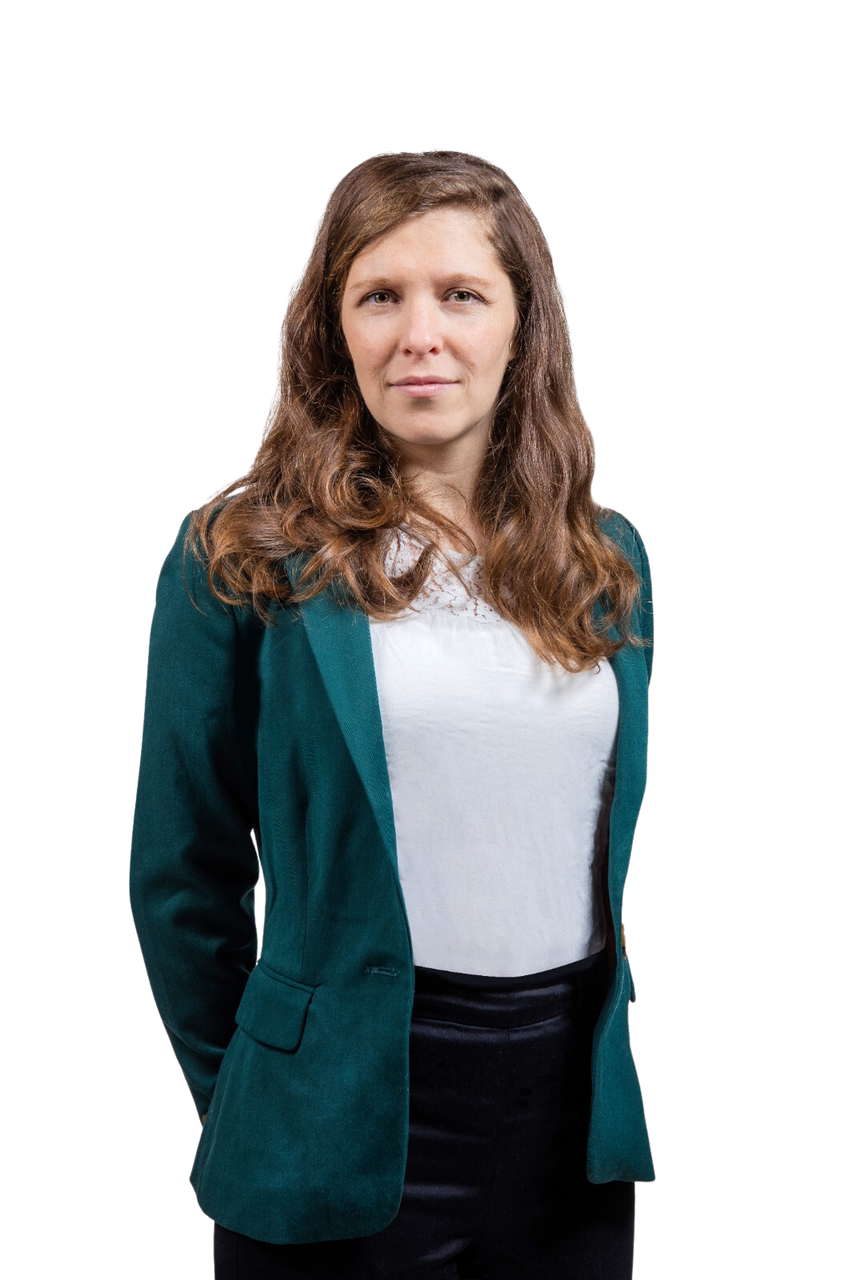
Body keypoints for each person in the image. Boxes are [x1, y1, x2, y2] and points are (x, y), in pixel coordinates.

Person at [128, 149, 656, 1279]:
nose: (421, 334)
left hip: (568, 1131)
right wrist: (257, 1091)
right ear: (334, 330)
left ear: (520, 328)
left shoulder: (602, 563)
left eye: (461, 294)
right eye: (380, 296)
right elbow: (181, 876)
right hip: (334, 1113)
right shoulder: (241, 555)